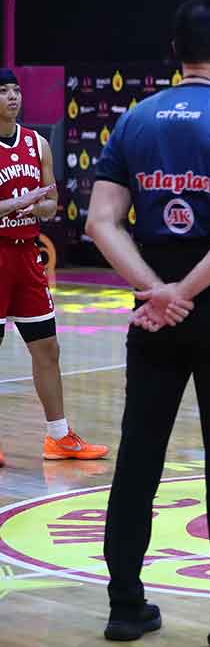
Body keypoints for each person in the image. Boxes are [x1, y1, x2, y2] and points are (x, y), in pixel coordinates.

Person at [89, 0, 210, 647]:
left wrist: (155, 292)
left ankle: (125, 607)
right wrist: (187, 291)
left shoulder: (135, 119)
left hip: (154, 307)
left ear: (176, 53)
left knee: (138, 454)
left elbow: (101, 222)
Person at [0, 69, 107, 467]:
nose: (13, 97)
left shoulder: (37, 143)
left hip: (27, 256)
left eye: (15, 90)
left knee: (47, 347)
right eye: (3, 91)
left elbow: (50, 201)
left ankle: (59, 437)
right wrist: (16, 203)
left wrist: (39, 206)